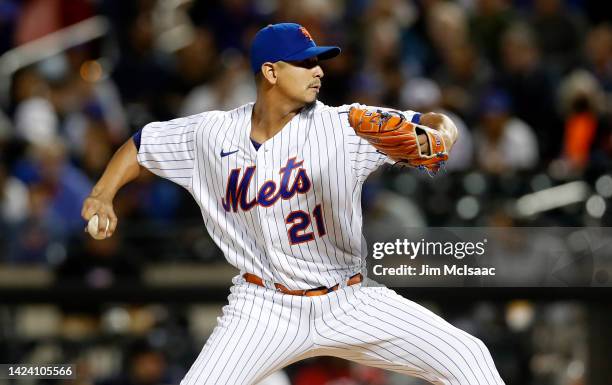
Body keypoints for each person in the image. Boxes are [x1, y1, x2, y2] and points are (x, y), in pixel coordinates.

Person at [82, 23, 505, 385]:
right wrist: (102, 193)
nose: (318, 71)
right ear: (270, 71)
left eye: (318, 61)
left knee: (468, 358)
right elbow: (141, 146)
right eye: (305, 63)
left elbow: (434, 123)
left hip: (349, 300)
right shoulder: (211, 135)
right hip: (263, 307)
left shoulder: (345, 126)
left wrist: (441, 134)